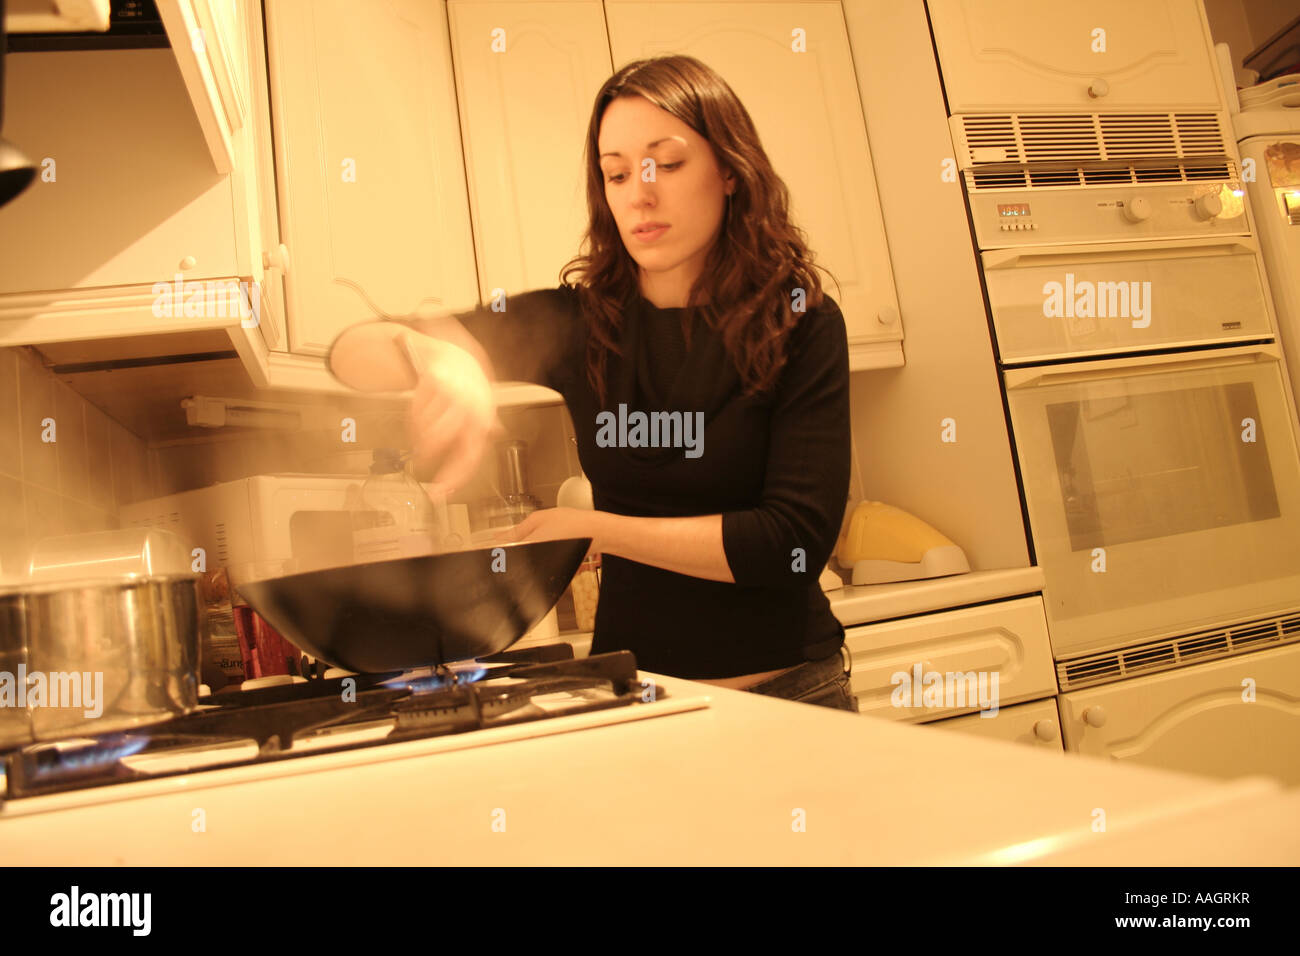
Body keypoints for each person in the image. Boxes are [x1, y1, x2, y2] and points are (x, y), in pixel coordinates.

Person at [329, 55, 856, 712]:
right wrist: (430, 351)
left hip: (793, 697)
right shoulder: (577, 322)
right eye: (615, 172)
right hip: (640, 702)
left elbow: (790, 544)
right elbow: (350, 352)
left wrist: (593, 528)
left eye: (667, 164)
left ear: (728, 170)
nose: (640, 191)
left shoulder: (799, 322)